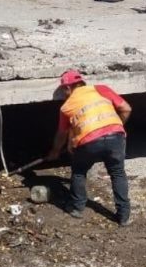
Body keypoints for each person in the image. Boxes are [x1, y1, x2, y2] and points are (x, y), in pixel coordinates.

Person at [46, 70, 133, 226]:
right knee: (118, 173)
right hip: (116, 137)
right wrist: (115, 127)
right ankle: (124, 216)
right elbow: (126, 109)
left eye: (63, 91)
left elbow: (62, 134)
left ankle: (77, 208)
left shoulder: (66, 107)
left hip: (89, 141)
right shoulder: (101, 89)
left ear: (67, 88)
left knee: (79, 172)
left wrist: (55, 152)